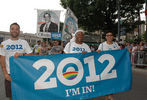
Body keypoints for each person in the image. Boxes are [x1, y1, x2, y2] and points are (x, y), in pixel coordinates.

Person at [0, 23, 32, 100]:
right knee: (11, 96)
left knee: (23, 95)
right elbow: (2, 59)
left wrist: (22, 54)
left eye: (17, 29)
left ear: (19, 31)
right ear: (10, 30)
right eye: (13, 29)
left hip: (23, 73)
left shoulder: (24, 42)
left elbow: (31, 55)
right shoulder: (3, 44)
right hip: (10, 74)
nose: (15, 30)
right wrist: (5, 74)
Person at [97, 31, 120, 100]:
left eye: (111, 35)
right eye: (108, 35)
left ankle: (110, 95)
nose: (109, 36)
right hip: (105, 67)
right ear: (106, 37)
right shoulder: (102, 45)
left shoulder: (116, 45)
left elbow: (120, 53)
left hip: (114, 66)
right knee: (106, 82)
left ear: (113, 37)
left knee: (112, 81)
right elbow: (97, 54)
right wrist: (98, 52)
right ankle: (107, 96)